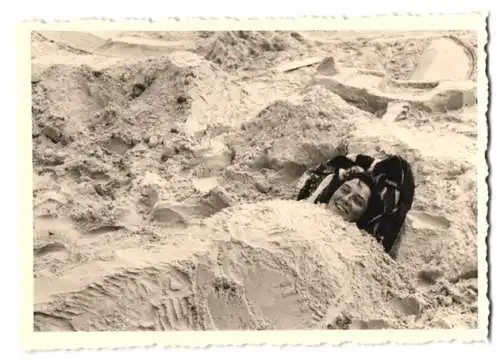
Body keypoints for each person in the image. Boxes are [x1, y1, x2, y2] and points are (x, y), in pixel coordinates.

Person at [296, 152, 415, 255]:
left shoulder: (356, 248)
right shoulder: (300, 211)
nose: (346, 199)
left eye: (358, 201)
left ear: (362, 216)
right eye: (345, 190)